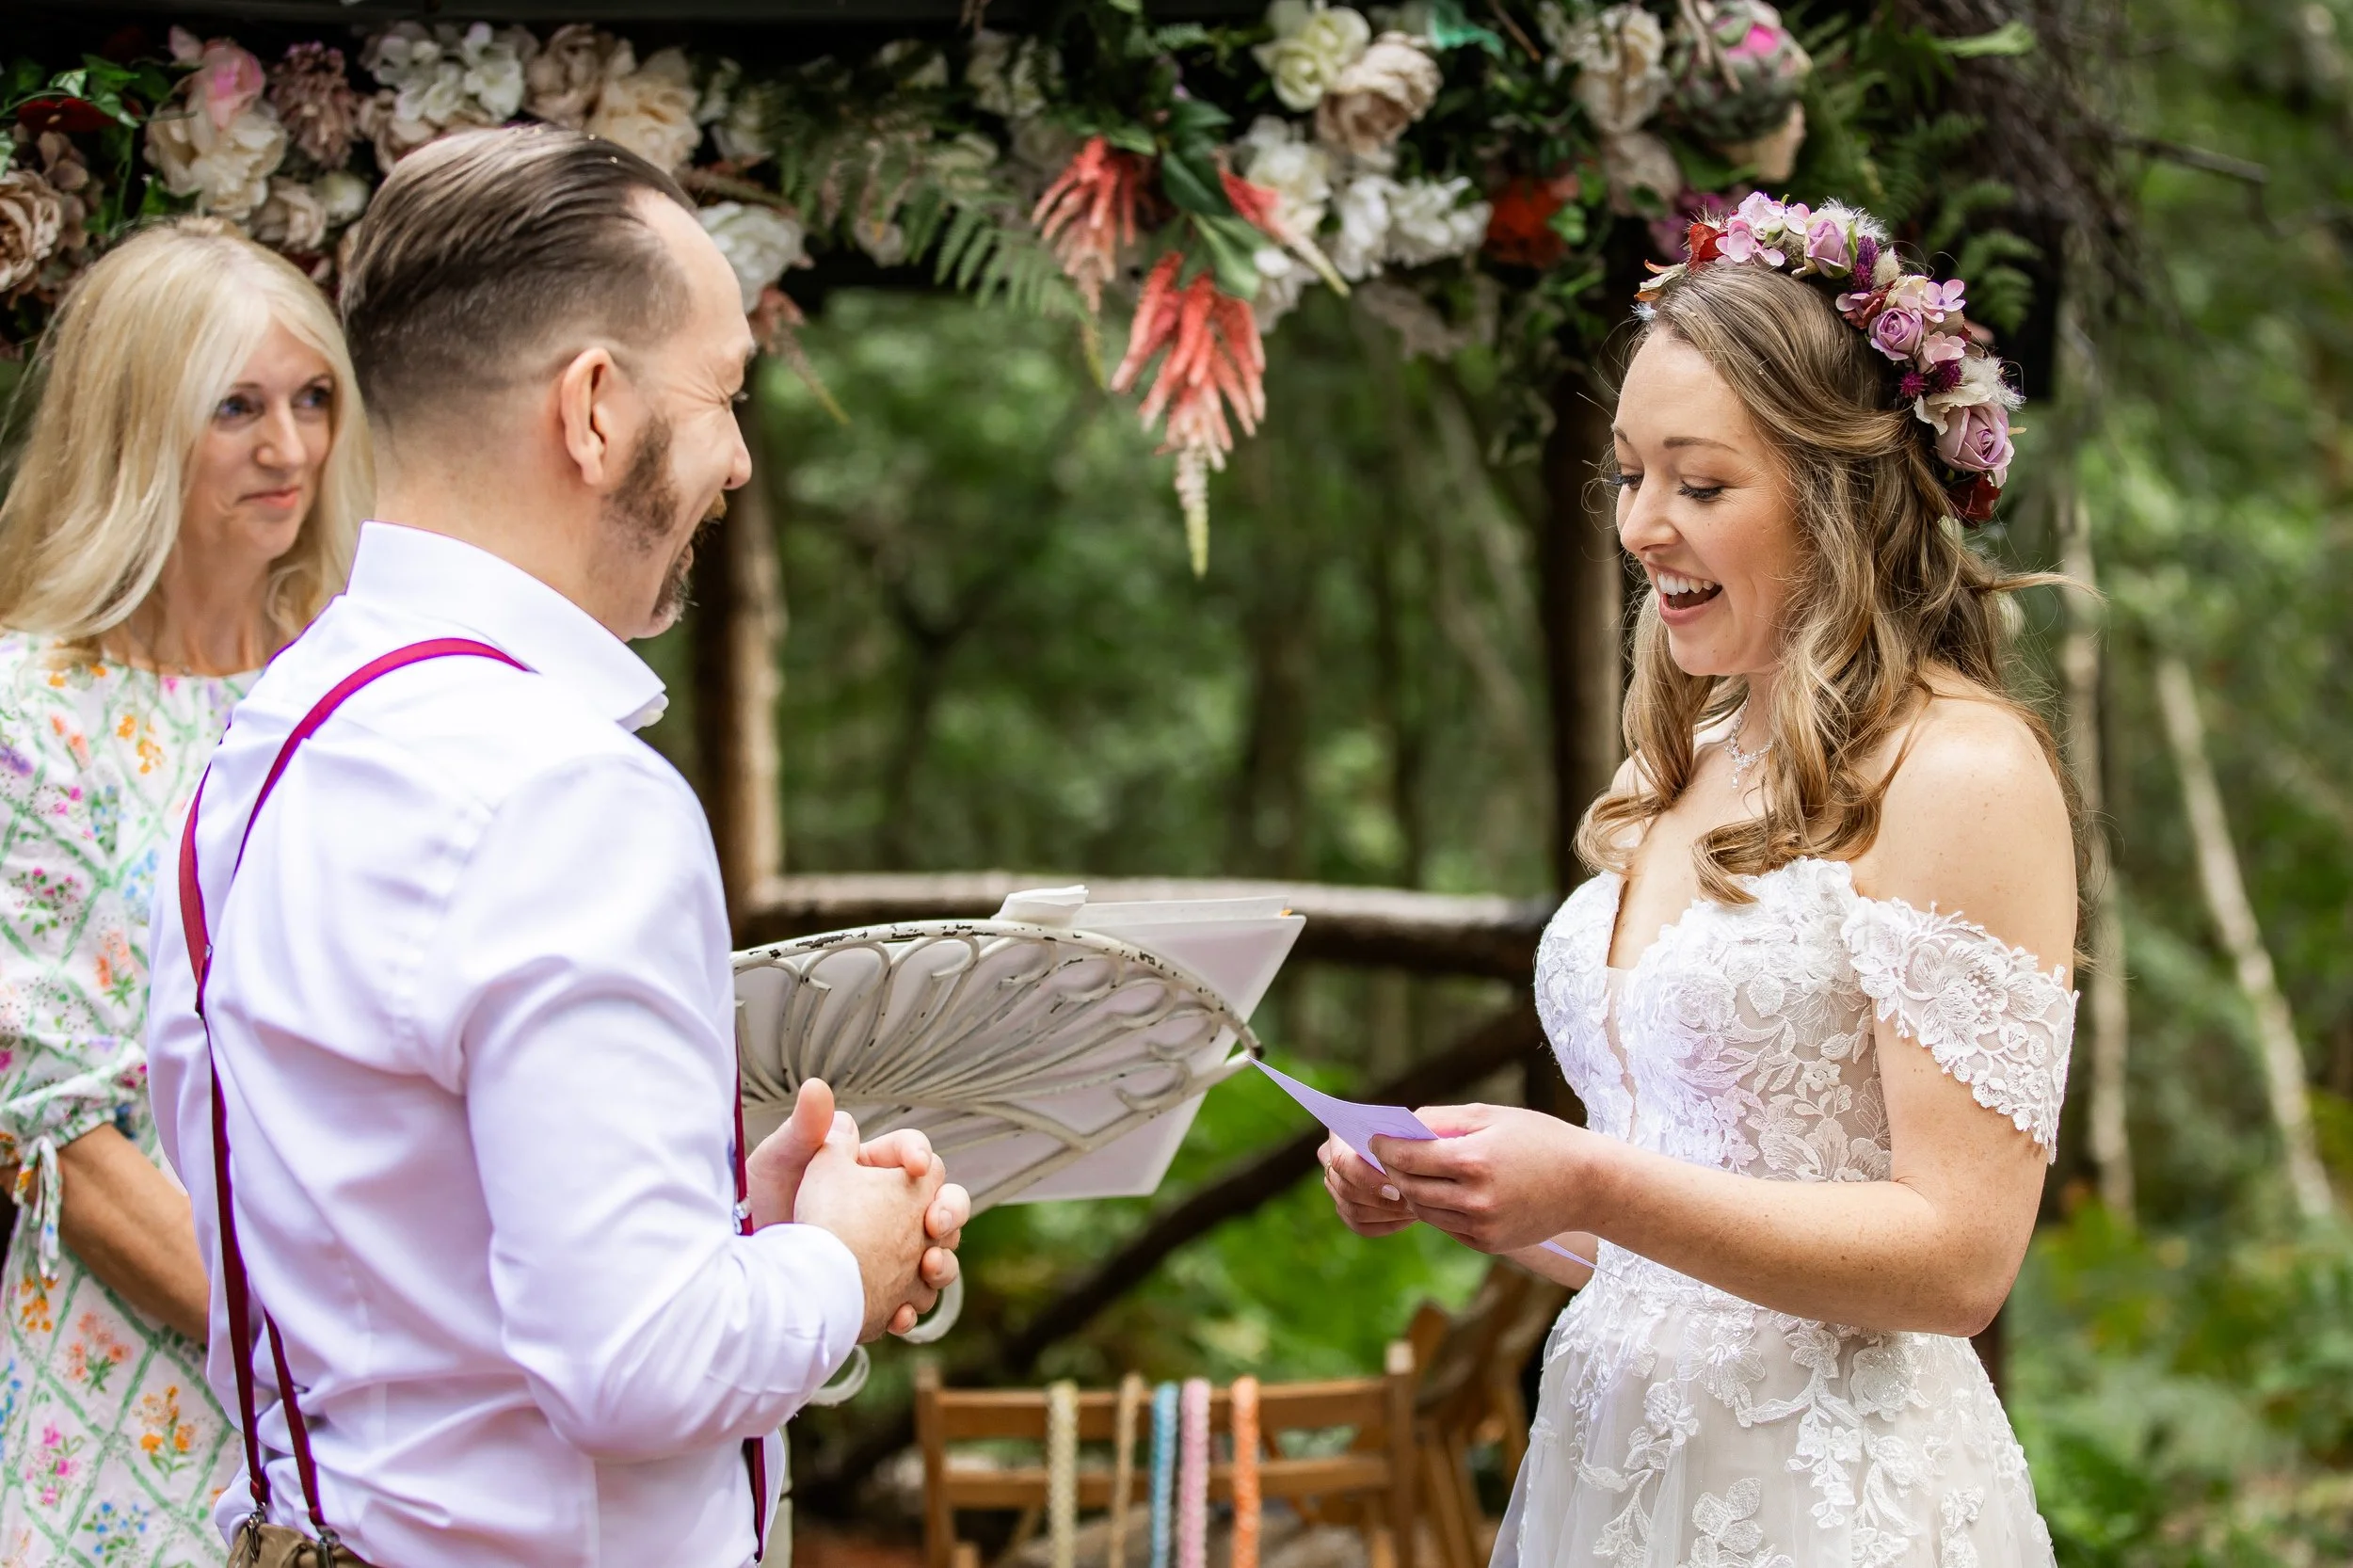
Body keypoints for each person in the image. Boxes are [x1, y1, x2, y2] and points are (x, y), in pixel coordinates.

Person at [144, 126, 968, 1568]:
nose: (740, 458)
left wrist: (738, 1227)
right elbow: (634, 1367)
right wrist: (843, 1262)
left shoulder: (258, 751)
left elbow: (379, 1251)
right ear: (594, 409)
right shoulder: (564, 790)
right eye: (724, 392)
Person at [1320, 198, 2073, 1566]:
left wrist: (1594, 1181)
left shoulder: (1966, 770)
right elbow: (1680, 1257)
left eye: (1700, 484)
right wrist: (1483, 1192)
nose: (1642, 527)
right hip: (1608, 1484)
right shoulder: (1692, 753)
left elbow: (1961, 1258)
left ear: (1839, 494)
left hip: (1836, 1510)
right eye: (1628, 477)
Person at [0, 218, 367, 1566]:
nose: (291, 450)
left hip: (385, 1370)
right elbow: (71, 1150)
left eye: (312, 397)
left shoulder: (362, 692)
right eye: (237, 408)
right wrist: (320, 1377)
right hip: (135, 1388)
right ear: (135, 428)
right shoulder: (25, 714)